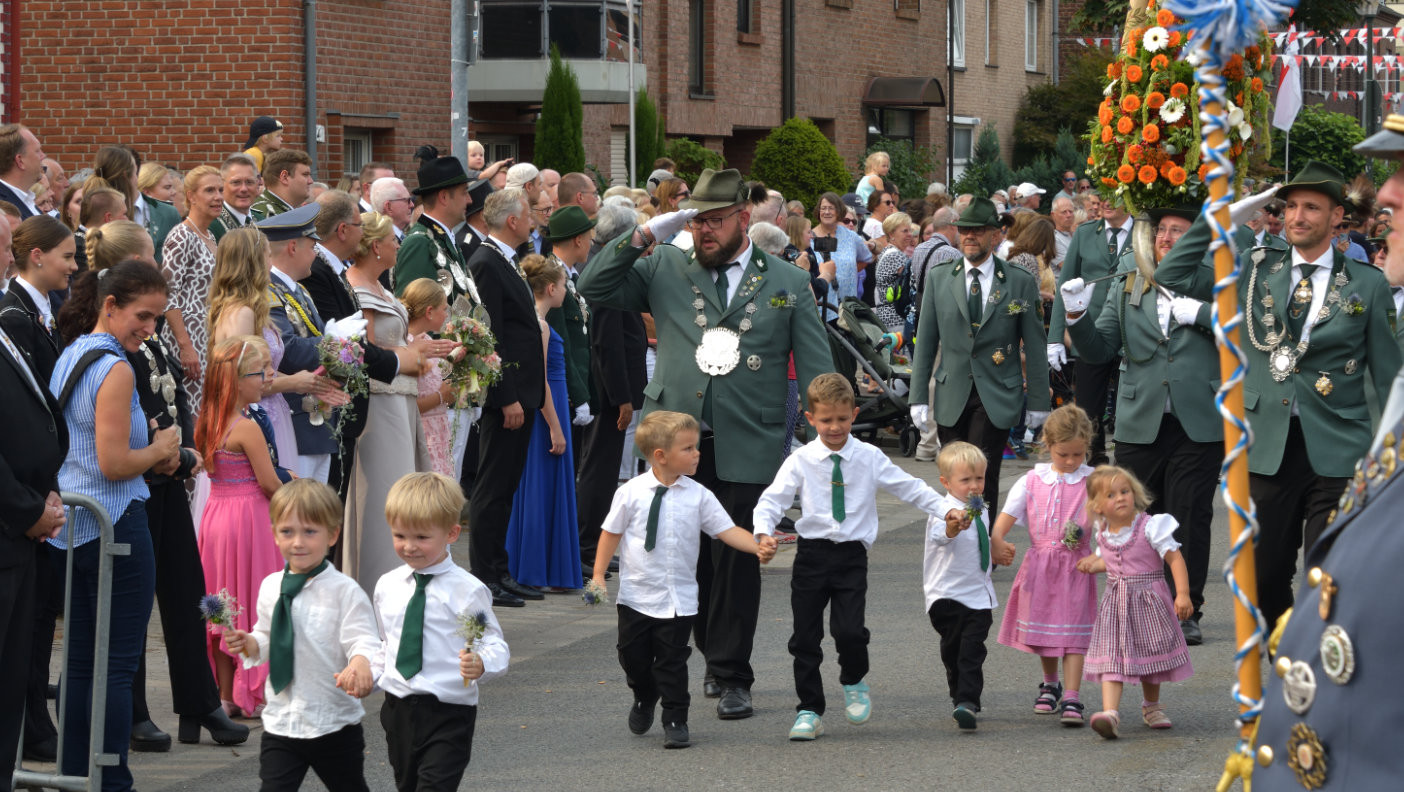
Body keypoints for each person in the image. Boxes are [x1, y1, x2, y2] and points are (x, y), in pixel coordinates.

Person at [579, 168, 832, 721]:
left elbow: (816, 365)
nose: (705, 232)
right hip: (676, 440)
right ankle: (693, 657)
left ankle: (731, 672)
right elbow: (592, 284)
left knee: (737, 561)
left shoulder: (787, 281)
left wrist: (822, 439)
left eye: (715, 221)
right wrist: (650, 231)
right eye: (697, 221)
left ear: (745, 217)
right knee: (686, 560)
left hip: (750, 438)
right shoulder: (667, 263)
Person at [1156, 161, 1403, 633]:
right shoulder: (1254, 269)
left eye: (1312, 207)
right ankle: (1284, 647)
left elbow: (1389, 376)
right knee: (1264, 576)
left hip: (1341, 446)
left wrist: (1389, 457)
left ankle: (1319, 673)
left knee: (1330, 572)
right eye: (1290, 206)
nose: (1297, 216)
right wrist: (1221, 219)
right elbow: (1172, 273)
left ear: (1337, 219)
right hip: (1268, 444)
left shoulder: (1366, 284)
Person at [1063, 203, 1224, 647]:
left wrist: (1204, 314)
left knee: (1190, 514)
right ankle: (1133, 603)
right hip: (1141, 417)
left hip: (1198, 417)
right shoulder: (1130, 277)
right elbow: (1101, 350)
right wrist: (1077, 317)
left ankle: (1185, 606)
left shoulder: (1215, 276)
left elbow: (1244, 330)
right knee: (1132, 517)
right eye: (1162, 231)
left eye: (1179, 232)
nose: (1168, 239)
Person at [753, 372, 946, 741]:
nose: (835, 427)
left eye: (842, 419)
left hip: (851, 557)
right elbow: (772, 500)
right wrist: (763, 533)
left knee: (849, 632)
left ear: (853, 414)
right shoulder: (801, 460)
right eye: (826, 420)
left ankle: (854, 678)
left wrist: (944, 508)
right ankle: (809, 709)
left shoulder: (870, 457)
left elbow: (910, 488)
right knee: (805, 638)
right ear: (810, 419)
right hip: (811, 556)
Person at [48, 258, 179, 790]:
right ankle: (108, 779)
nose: (148, 330)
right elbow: (113, 462)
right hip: (113, 521)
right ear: (110, 305)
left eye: (156, 321)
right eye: (143, 317)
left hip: (74, 522)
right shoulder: (116, 366)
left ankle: (79, 773)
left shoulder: (73, 353)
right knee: (117, 661)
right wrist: (160, 448)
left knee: (81, 659)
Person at [591, 410, 775, 749]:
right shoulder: (630, 493)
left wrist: (756, 546)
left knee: (672, 662)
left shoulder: (699, 495)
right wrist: (599, 575)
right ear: (660, 456)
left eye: (695, 447)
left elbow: (727, 530)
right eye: (688, 448)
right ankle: (645, 694)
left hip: (678, 600)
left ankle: (676, 718)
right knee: (632, 658)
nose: (697, 454)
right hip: (636, 597)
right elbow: (610, 533)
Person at [221, 479, 379, 792]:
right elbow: (267, 635)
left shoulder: (345, 592)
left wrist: (360, 662)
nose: (298, 542)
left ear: (332, 534)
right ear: (274, 534)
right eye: (287, 532)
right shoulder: (270, 587)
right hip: (282, 721)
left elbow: (363, 639)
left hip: (332, 722)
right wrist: (251, 643)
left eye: (310, 531)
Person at [909, 197, 1051, 511]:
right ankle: (957, 543)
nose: (969, 236)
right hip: (952, 391)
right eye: (965, 230)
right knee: (954, 475)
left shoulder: (1019, 282)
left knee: (981, 475)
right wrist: (918, 395)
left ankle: (982, 552)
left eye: (979, 230)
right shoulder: (940, 277)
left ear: (997, 235)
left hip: (997, 391)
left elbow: (1036, 346)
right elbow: (927, 341)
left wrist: (1039, 401)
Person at [374, 472, 509, 790]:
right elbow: (386, 643)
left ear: (451, 533)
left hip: (449, 711)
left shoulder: (466, 590)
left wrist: (482, 662)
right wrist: (364, 670)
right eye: (399, 536)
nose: (409, 547)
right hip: (398, 708)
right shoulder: (387, 586)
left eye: (421, 537)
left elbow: (492, 642)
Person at [0, 199, 65, 789]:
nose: (8, 262)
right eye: (2, 248)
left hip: (21, 526)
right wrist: (29, 511)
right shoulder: (13, 315)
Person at [194, 336, 287, 720]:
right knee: (252, 601)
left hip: (217, 517)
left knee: (222, 605)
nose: (265, 379)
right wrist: (297, 499)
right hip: (250, 520)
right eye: (258, 373)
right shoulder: (246, 427)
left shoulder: (207, 421)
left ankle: (225, 692)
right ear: (235, 380)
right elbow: (268, 483)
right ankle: (254, 687)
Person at [990, 404, 1099, 725]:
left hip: (1077, 567)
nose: (1069, 462)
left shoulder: (1093, 481)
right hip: (1040, 566)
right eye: (1063, 454)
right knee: (1046, 630)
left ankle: (1073, 696)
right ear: (1048, 445)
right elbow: (1004, 520)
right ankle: (1051, 683)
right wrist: (998, 542)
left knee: (1075, 633)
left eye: (1077, 455)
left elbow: (1109, 523)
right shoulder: (1032, 480)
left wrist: (1103, 554)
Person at [343, 211, 432, 592]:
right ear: (376, 246)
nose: (399, 245)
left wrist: (422, 349)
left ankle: (404, 581)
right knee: (384, 491)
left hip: (402, 402)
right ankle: (375, 586)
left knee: (406, 490)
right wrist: (407, 353)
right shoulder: (356, 288)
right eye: (393, 239)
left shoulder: (382, 287)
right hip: (380, 403)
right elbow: (364, 349)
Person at [467, 188, 545, 608]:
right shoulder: (485, 262)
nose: (533, 220)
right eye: (529, 213)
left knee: (506, 486)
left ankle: (501, 570)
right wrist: (505, 397)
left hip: (524, 391)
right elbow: (489, 335)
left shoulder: (505, 260)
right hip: (509, 396)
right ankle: (486, 575)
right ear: (512, 220)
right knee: (493, 487)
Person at [1076, 465, 1193, 739]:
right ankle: (1110, 713)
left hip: (1148, 601)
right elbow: (1112, 559)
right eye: (1111, 495)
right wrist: (1095, 565)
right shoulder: (1103, 531)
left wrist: (1183, 593)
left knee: (1150, 656)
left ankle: (1151, 706)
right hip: (1115, 604)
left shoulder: (1150, 526)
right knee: (1112, 659)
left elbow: (1174, 558)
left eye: (1125, 491)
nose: (1120, 498)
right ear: (1098, 506)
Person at [503, 253, 580, 592]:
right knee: (540, 488)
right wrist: (555, 426)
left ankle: (537, 567)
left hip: (551, 407)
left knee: (539, 487)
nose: (565, 291)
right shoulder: (541, 324)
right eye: (563, 285)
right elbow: (543, 380)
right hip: (549, 411)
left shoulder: (538, 320)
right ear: (551, 287)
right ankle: (538, 569)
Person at [1048, 197, 1133, 465]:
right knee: (1088, 403)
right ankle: (1091, 456)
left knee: (1128, 403)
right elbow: (1066, 283)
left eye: (1114, 197)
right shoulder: (1086, 233)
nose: (1105, 203)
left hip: (1133, 330)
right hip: (1090, 330)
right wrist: (1055, 338)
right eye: (1101, 198)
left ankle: (1128, 456)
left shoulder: (1145, 231)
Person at [924, 441, 998, 730]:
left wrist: (997, 551)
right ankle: (959, 694)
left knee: (972, 649)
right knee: (953, 651)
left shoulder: (981, 508)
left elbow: (980, 542)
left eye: (979, 478)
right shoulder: (942, 510)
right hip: (948, 596)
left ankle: (967, 701)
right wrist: (951, 527)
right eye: (965, 480)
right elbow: (940, 536)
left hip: (978, 595)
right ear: (946, 482)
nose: (974, 486)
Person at [160, 165, 223, 398]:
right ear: (191, 196)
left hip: (208, 332)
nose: (218, 197)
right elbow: (168, 292)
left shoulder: (209, 235)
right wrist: (185, 346)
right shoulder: (181, 235)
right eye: (209, 191)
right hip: (187, 335)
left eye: (220, 190)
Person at [393, 155, 479, 310]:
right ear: (444, 197)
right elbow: (412, 310)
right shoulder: (419, 243)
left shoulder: (445, 238)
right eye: (464, 192)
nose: (470, 200)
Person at [0, 214, 74, 380]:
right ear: (37, 256)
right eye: (67, 257)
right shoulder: (13, 316)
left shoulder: (43, 307)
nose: (74, 266)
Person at [401, 278, 460, 478]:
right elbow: (404, 407)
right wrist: (442, 396)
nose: (446, 314)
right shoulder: (406, 347)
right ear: (429, 312)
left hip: (438, 435)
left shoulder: (427, 341)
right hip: (421, 439)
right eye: (443, 309)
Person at [810, 191, 873, 322]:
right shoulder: (809, 238)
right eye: (823, 208)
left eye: (831, 208)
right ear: (818, 211)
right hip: (820, 310)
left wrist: (851, 271)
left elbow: (867, 257)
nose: (827, 212)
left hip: (847, 310)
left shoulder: (850, 237)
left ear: (839, 211)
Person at [872, 211, 914, 331]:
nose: (910, 235)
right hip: (895, 319)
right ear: (891, 234)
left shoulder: (886, 252)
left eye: (910, 230)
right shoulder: (895, 255)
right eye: (905, 231)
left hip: (888, 317)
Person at [209, 154, 263, 241]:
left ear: (257, 185)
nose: (244, 189)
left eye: (249, 182)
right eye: (236, 182)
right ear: (222, 184)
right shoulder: (211, 226)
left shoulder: (263, 220)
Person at [0, 124, 46, 218]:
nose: (43, 156)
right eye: (37, 151)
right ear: (20, 161)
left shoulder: (27, 200)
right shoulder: (4, 209)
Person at [252, 149, 314, 219]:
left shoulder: (279, 212)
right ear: (284, 177)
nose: (311, 181)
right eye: (305, 174)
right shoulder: (269, 217)